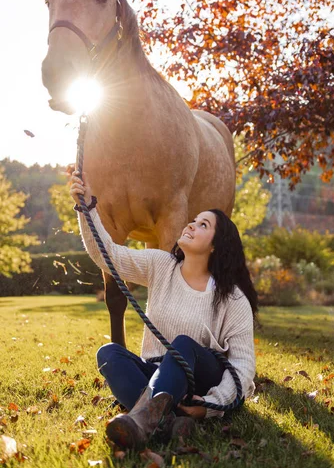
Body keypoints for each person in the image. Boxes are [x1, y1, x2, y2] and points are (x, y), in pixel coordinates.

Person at [70, 171, 257, 450]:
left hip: (199, 384)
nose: (190, 225)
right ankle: (169, 422)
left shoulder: (232, 298)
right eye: (192, 221)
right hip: (156, 373)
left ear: (217, 245)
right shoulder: (161, 265)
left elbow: (243, 367)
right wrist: (87, 208)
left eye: (202, 224)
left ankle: (144, 420)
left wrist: (210, 405)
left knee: (181, 345)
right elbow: (107, 255)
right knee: (108, 354)